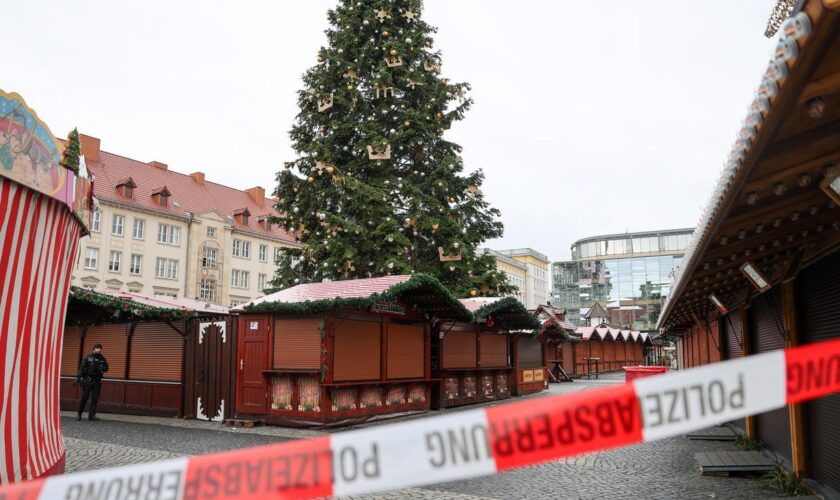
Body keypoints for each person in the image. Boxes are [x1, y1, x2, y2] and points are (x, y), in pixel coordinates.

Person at [76, 343, 108, 421]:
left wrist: (102, 368)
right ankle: (79, 413)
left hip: (97, 381)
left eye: (100, 348)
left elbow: (106, 368)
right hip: (88, 380)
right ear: (94, 349)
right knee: (85, 398)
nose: (99, 349)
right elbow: (81, 369)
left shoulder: (102, 358)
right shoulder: (87, 357)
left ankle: (92, 415)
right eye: (97, 348)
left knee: (95, 398)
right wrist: (79, 379)